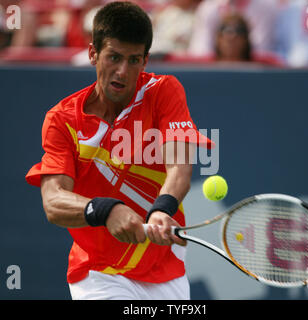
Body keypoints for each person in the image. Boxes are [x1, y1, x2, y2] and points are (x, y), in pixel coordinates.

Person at [25, 1, 213, 300]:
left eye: (134, 60)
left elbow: (180, 166)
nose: (123, 72)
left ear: (145, 60)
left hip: (165, 271)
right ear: (92, 54)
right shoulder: (63, 120)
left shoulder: (164, 91)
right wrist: (106, 210)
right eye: (113, 57)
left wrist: (163, 208)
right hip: (98, 273)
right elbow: (53, 201)